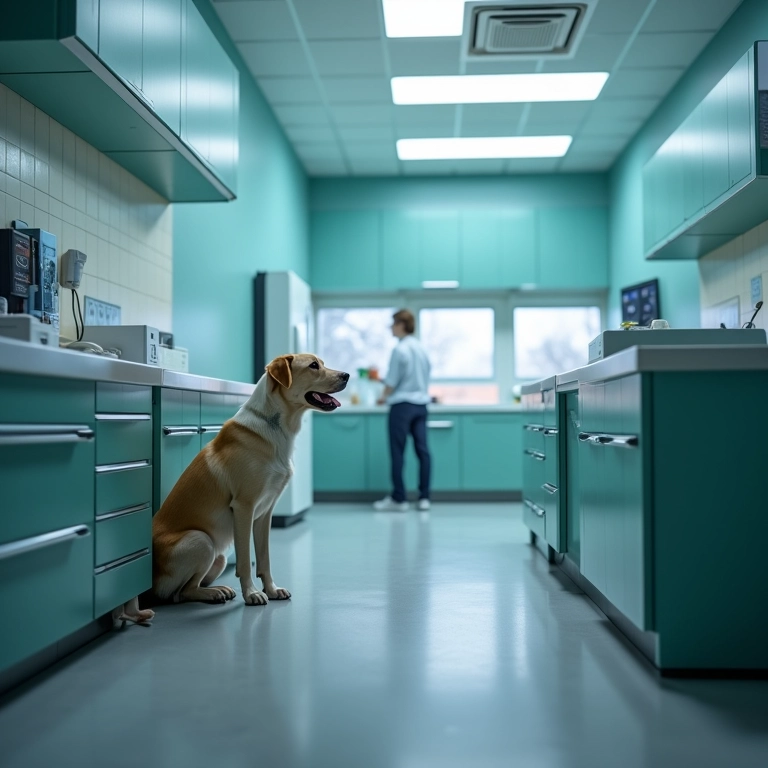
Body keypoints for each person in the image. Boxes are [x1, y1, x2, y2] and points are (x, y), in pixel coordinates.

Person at [373, 309, 432, 512]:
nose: (391, 327)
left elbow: (392, 381)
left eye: (393, 324)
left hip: (402, 406)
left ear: (401, 325)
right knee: (423, 451)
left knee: (398, 452)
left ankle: (400, 499)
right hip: (421, 406)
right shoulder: (421, 348)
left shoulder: (400, 349)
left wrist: (382, 397)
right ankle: (424, 498)